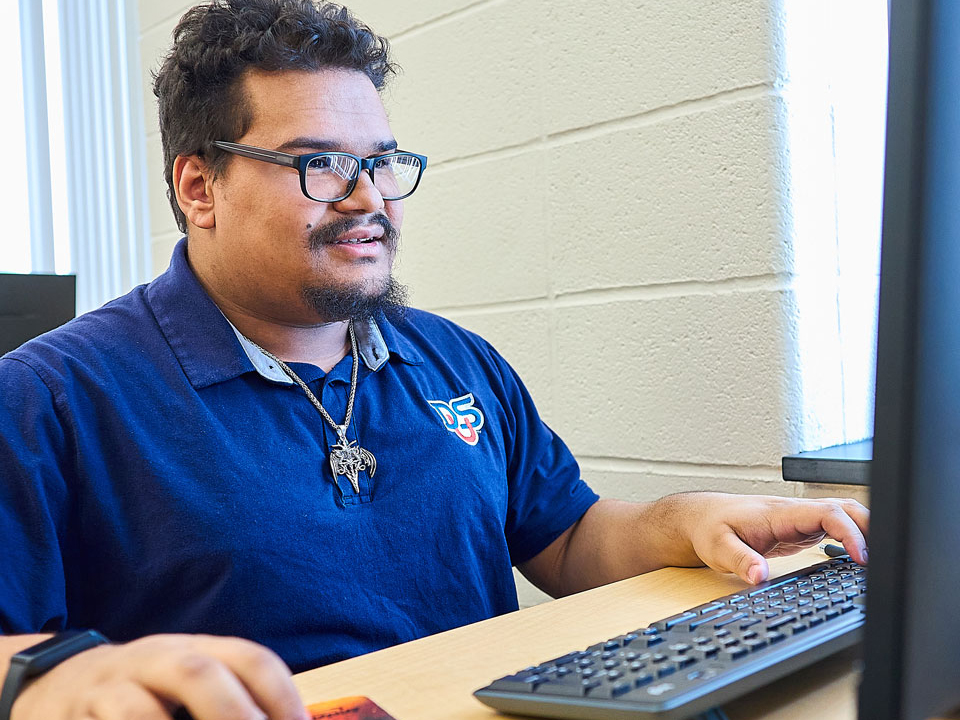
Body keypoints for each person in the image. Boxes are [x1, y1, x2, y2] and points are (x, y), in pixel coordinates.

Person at [0, 1, 869, 718]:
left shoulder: (453, 359)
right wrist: (51, 677)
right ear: (200, 188)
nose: (369, 198)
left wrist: (677, 523)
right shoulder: (50, 398)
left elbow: (564, 536)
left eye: (382, 162)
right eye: (321, 165)